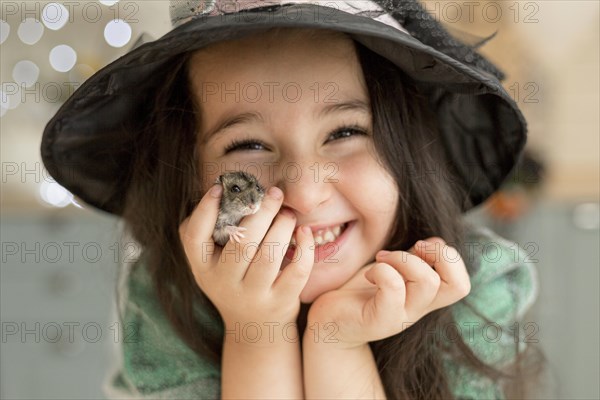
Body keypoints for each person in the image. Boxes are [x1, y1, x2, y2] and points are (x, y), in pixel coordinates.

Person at [41, 1, 543, 399]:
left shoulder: (475, 290)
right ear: (188, 178)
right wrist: (255, 331)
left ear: (406, 150)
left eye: (344, 130)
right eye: (248, 146)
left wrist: (336, 342)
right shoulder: (166, 301)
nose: (305, 192)